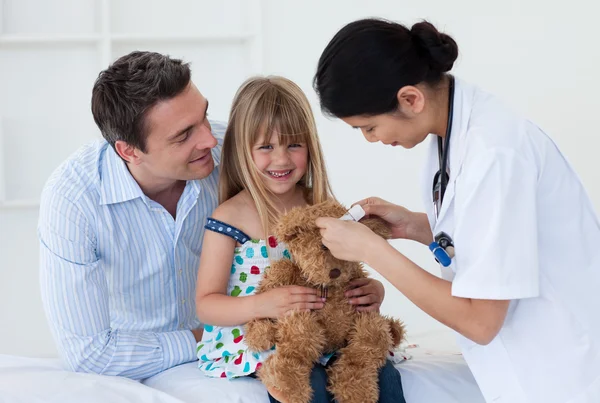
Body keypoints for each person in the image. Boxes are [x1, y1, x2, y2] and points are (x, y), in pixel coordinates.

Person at [313, 18, 600, 403]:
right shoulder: (452, 132)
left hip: (563, 375)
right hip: (530, 371)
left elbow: (479, 321)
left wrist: (371, 250)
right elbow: (497, 237)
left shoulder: (494, 153)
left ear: (411, 99)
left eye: (369, 127)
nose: (372, 140)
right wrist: (419, 227)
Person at [194, 75, 406, 403]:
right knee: (309, 384)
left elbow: (343, 272)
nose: (281, 159)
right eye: (266, 147)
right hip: (265, 339)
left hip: (323, 336)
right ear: (242, 150)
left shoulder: (320, 207)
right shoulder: (228, 217)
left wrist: (373, 291)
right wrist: (261, 304)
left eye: (294, 145)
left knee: (383, 375)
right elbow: (206, 304)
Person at [38, 51, 224, 380]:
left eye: (204, 117)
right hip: (134, 368)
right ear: (129, 151)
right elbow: (87, 354)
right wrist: (209, 338)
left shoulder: (231, 149)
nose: (209, 138)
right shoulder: (74, 199)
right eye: (184, 135)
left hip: (238, 354)